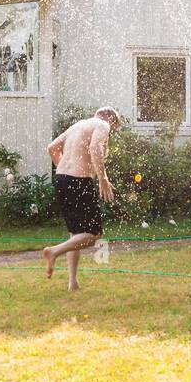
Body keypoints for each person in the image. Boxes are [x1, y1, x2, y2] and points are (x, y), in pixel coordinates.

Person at [42, 107, 122, 290]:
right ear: (110, 118)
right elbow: (95, 147)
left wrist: (65, 169)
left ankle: (73, 283)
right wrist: (103, 179)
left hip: (61, 179)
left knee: (76, 235)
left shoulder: (79, 125)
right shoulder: (102, 124)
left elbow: (52, 148)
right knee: (95, 234)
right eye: (114, 128)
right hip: (79, 180)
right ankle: (53, 252)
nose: (111, 133)